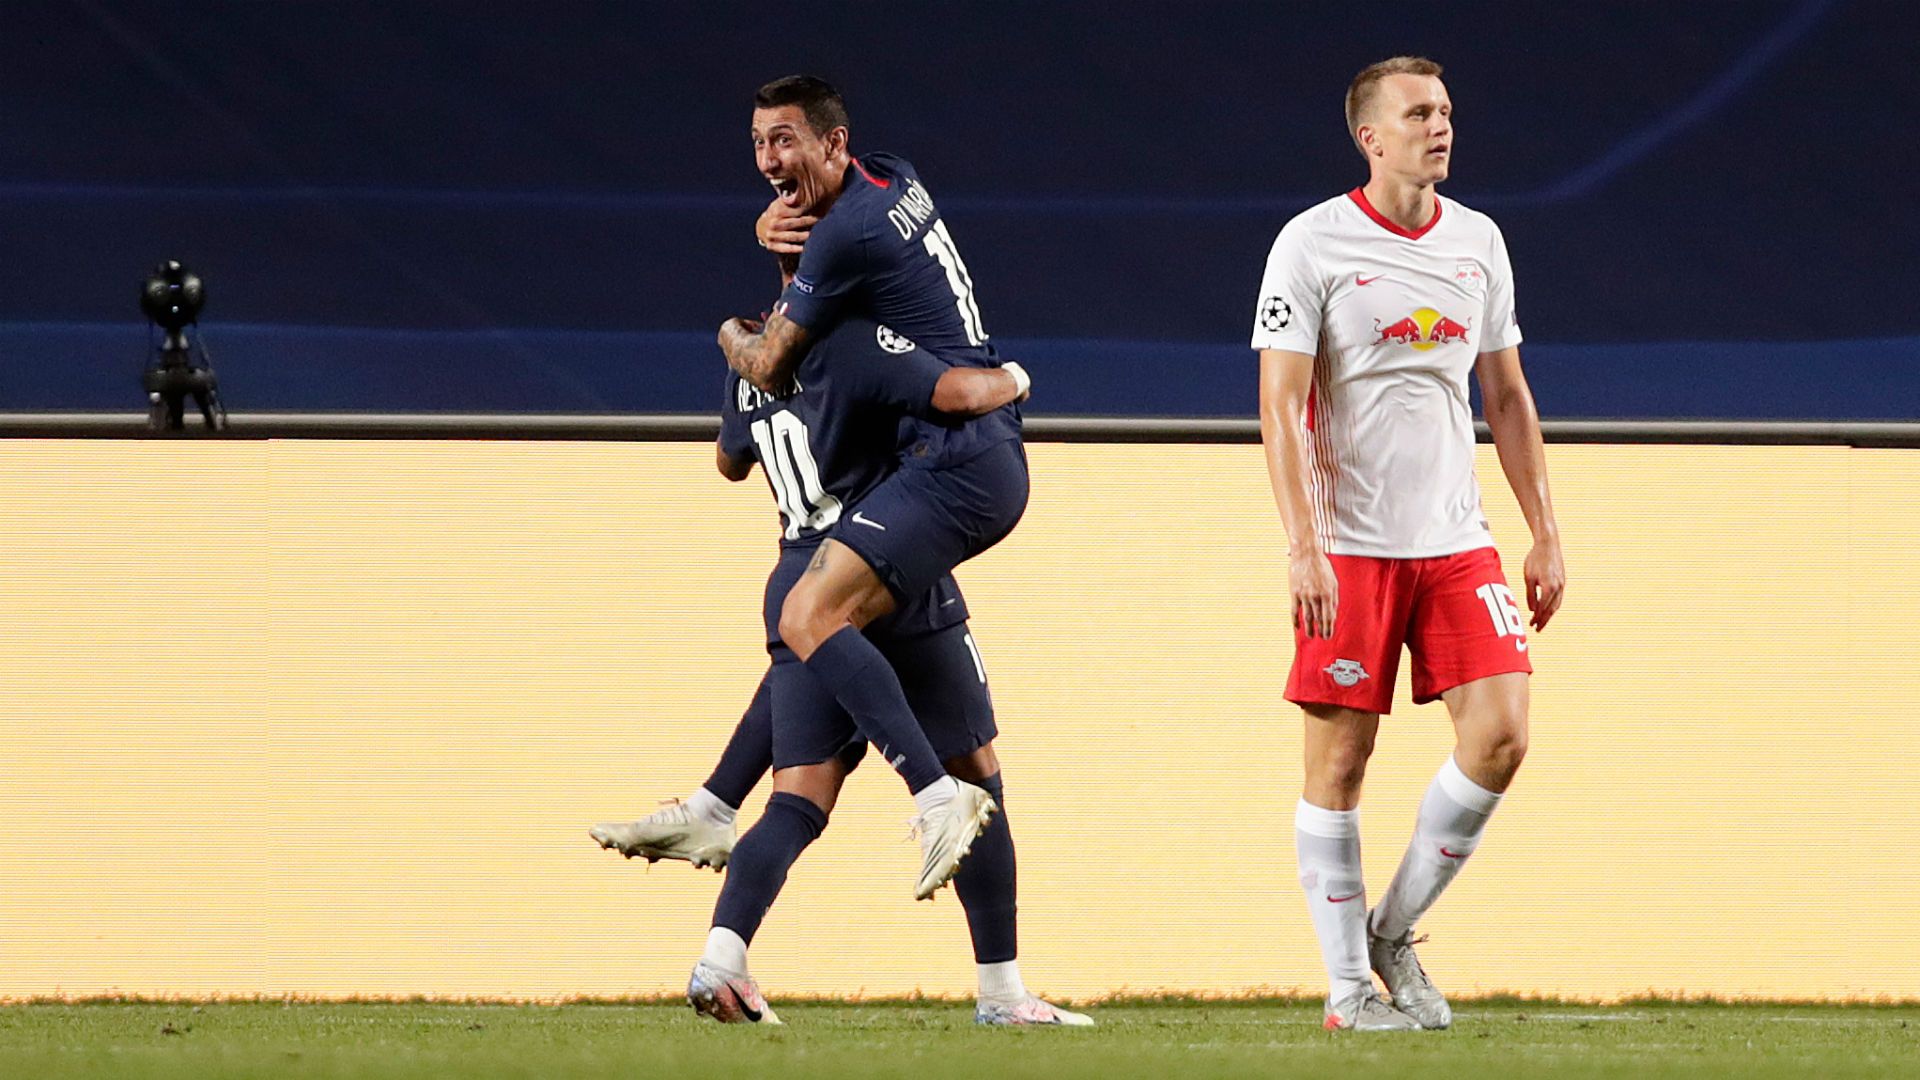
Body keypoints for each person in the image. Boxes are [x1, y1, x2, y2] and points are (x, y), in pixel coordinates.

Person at [593, 314, 1085, 1026]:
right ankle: (1001, 987)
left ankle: (720, 951)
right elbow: (950, 396)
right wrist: (1015, 378)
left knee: (798, 797)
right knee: (973, 770)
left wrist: (743, 365)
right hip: (878, 571)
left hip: (796, 577)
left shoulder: (751, 359)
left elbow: (730, 460)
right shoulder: (850, 339)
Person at [1250, 56, 1567, 1032]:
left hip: (1455, 541)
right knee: (1339, 770)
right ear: (1370, 136)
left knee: (1503, 736)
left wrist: (1544, 530)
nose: (1441, 126)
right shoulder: (1311, 244)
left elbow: (1504, 395)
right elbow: (1281, 402)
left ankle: (1392, 930)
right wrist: (1303, 547)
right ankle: (1349, 992)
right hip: (1350, 547)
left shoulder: (1478, 241)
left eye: (1447, 111)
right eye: (1419, 112)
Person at [716, 75, 1031, 900]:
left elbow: (767, 358)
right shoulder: (897, 175)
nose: (768, 158)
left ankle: (933, 801)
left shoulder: (842, 252)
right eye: (757, 142)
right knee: (823, 635)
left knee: (805, 615)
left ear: (833, 143)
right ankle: (714, 804)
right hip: (952, 463)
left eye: (784, 138)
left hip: (952, 460)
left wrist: (725, 331)